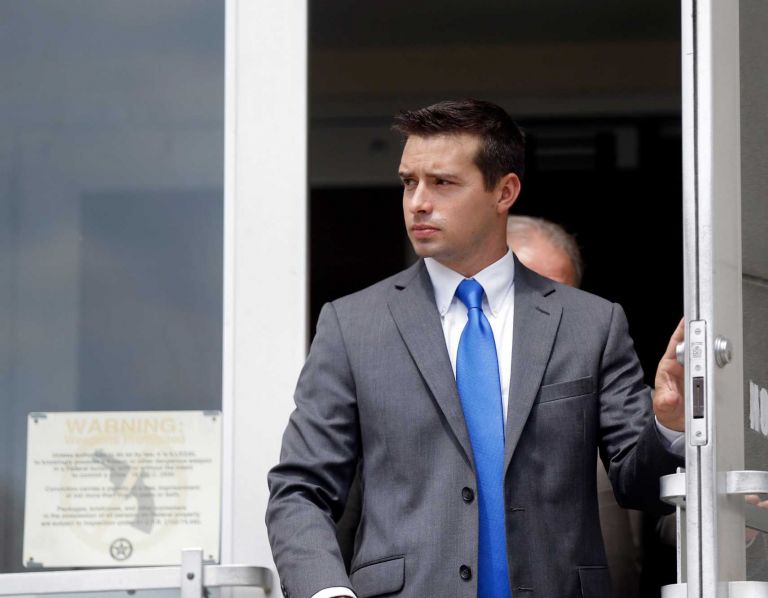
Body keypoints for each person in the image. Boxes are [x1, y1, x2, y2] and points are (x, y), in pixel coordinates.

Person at [265, 99, 686, 598]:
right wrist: (326, 593)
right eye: (408, 182)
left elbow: (638, 486)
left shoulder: (591, 324)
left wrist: (668, 422)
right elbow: (299, 491)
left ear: (504, 191)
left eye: (442, 182)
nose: (418, 201)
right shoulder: (352, 325)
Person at [506, 215, 642, 597]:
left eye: (559, 294)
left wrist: (737, 523)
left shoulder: (615, 395)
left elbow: (669, 501)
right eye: (530, 290)